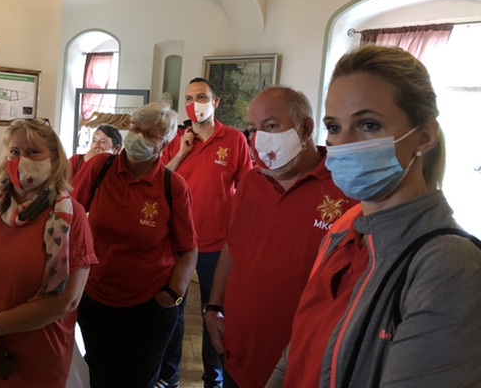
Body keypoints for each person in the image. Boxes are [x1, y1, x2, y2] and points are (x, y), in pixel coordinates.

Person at [267, 45, 481, 388]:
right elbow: (297, 354)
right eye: (334, 127)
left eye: (368, 124)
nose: (344, 143)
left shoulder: (448, 265)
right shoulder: (343, 235)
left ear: (424, 136)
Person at [205, 87, 357, 388]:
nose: (259, 138)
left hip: (304, 366)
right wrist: (214, 306)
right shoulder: (251, 182)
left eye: (271, 126)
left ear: (306, 128)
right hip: (240, 353)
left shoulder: (347, 187)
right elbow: (233, 248)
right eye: (252, 129)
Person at [0, 117, 97, 387]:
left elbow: (67, 300)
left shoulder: (71, 216)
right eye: (15, 152)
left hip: (35, 354)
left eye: (33, 152)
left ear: (54, 159)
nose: (21, 160)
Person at [72, 102, 198, 388]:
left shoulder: (172, 186)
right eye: (135, 129)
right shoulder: (100, 167)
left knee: (137, 381)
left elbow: (188, 248)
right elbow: (71, 220)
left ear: (164, 143)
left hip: (149, 305)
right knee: (100, 376)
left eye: (150, 134)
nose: (138, 137)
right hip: (96, 298)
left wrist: (173, 294)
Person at [159, 77, 253, 388]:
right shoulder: (176, 140)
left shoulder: (234, 140)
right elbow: (158, 181)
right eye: (188, 98)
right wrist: (182, 153)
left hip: (217, 244)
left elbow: (247, 189)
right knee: (173, 312)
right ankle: (170, 375)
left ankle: (214, 378)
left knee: (214, 314)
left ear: (215, 102)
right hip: (177, 243)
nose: (194, 104)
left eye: (201, 97)